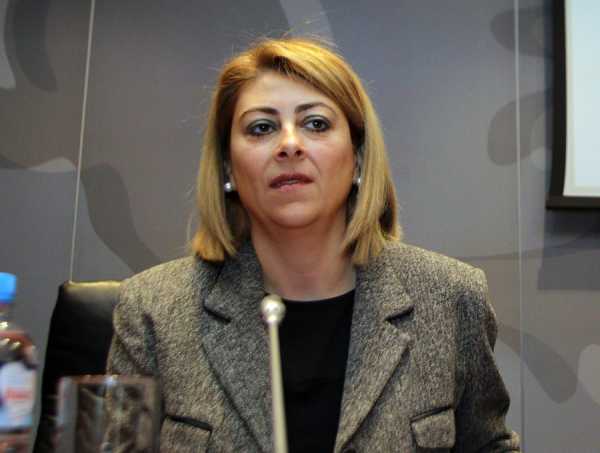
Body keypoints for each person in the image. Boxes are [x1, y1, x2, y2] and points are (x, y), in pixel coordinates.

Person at [108, 37, 520, 452]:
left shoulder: (451, 299)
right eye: (262, 128)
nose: (289, 144)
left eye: (316, 124)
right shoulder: (153, 311)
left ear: (358, 158)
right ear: (228, 167)